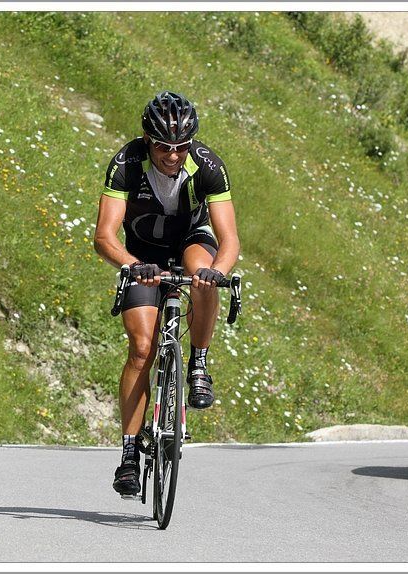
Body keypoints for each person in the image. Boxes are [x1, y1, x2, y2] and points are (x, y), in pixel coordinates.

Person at [94, 91, 240, 496]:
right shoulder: (127, 162)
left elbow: (229, 239)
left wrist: (218, 272)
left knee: (202, 271)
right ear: (147, 139)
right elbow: (104, 236)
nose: (173, 155)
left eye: (181, 147)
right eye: (163, 146)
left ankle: (199, 364)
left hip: (191, 241)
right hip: (142, 255)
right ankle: (129, 454)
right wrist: (130, 264)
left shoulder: (208, 165)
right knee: (142, 349)